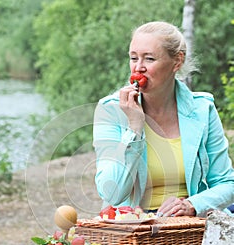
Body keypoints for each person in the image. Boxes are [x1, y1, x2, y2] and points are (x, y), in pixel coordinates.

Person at [93, 21, 234, 217]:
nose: (138, 68)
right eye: (133, 58)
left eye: (149, 59)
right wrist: (134, 128)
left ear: (177, 61)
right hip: (135, 228)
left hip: (189, 225)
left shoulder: (203, 109)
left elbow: (227, 184)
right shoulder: (111, 110)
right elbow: (112, 193)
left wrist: (192, 205)